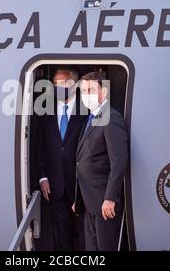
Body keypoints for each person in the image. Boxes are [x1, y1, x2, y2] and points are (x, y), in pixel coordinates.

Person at [74, 71, 129, 251]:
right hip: (89, 201)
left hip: (104, 202)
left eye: (90, 90)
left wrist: (110, 198)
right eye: (83, 91)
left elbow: (119, 161)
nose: (86, 96)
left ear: (104, 92)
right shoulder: (91, 117)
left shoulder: (111, 118)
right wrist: (78, 199)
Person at [37, 67, 88, 250]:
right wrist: (43, 177)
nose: (58, 87)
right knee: (60, 232)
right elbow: (41, 147)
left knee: (83, 231)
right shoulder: (45, 111)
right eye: (55, 83)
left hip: (80, 184)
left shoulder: (87, 109)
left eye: (63, 83)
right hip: (55, 183)